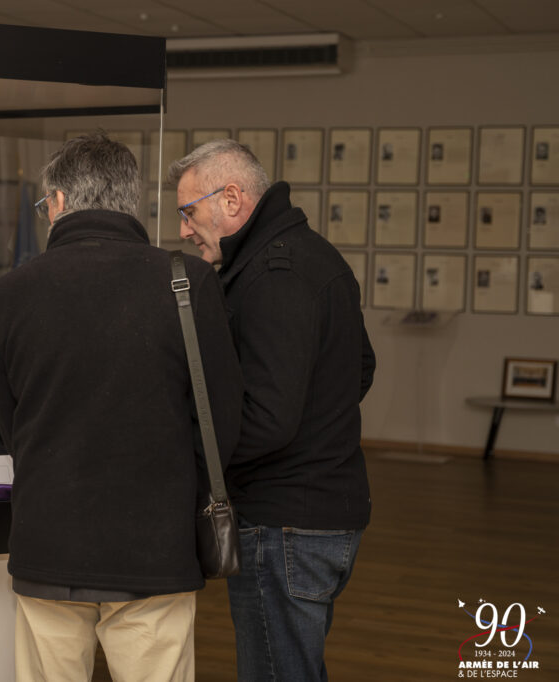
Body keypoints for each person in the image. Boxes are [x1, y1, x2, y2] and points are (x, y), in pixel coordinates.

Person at [0, 132, 243, 682]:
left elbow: (13, 424)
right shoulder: (188, 282)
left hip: (47, 544)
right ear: (131, 201)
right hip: (155, 550)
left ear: (56, 204)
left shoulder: (8, 293)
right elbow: (220, 422)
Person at [168, 138, 375, 682]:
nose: (185, 230)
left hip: (286, 525)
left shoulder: (271, 277)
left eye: (190, 211)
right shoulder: (315, 255)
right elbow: (360, 369)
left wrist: (195, 465)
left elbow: (268, 416)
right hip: (322, 516)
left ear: (231, 199)